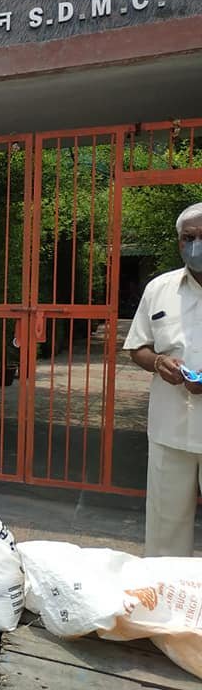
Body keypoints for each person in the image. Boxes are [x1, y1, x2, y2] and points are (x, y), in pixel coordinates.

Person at [123, 202, 202, 558]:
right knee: (164, 534)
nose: (196, 245)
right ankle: (165, 592)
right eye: (189, 237)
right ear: (179, 242)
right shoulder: (159, 289)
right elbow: (137, 346)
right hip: (169, 431)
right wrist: (157, 363)